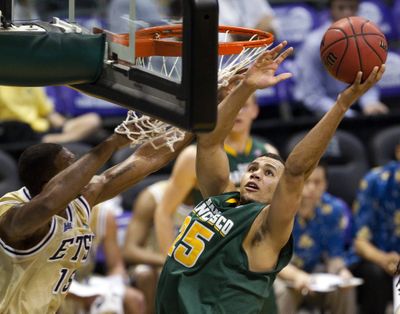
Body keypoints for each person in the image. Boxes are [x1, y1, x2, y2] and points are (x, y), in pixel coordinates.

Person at [155, 40, 385, 313]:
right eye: (253, 168)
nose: (255, 174)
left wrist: (341, 105)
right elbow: (209, 142)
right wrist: (247, 86)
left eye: (268, 173)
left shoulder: (266, 228)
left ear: (280, 191)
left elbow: (296, 170)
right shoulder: (220, 199)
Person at [0, 114, 192, 313]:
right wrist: (113, 142)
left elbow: (147, 158)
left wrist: (193, 121)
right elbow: (48, 204)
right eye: (71, 167)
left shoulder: (80, 200)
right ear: (52, 182)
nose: (82, 171)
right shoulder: (12, 215)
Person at [155, 88, 278, 256]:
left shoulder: (268, 154)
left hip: (252, 251)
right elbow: (164, 212)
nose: (237, 111)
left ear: (255, 110)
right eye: (232, 105)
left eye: (244, 105)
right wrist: (169, 263)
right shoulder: (193, 156)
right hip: (211, 250)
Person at [275, 164, 356, 314]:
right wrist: (296, 276)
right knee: (282, 291)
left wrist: (341, 271)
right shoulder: (278, 208)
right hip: (281, 273)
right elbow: (270, 258)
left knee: (345, 288)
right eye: (307, 181)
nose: (311, 187)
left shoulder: (334, 209)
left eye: (317, 182)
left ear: (325, 185)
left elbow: (334, 256)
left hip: (314, 272)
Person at [293, 0, 388, 117]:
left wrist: (370, 103)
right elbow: (311, 95)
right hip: (323, 111)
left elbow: (370, 79)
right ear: (330, 10)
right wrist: (345, 113)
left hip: (356, 105)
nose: (347, 12)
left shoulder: (371, 40)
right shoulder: (313, 43)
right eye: (341, 8)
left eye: (352, 7)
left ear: (358, 9)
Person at [59, 204, 145, 314]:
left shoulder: (103, 215)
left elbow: (116, 266)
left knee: (134, 299)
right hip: (54, 281)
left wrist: (114, 293)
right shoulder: (54, 211)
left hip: (83, 280)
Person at [123, 179, 193, 314]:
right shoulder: (153, 196)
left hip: (193, 266)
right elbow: (129, 250)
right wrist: (170, 262)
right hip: (155, 264)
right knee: (145, 274)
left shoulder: (216, 196)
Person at [348, 141, 400, 314]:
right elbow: (360, 242)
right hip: (378, 259)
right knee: (374, 274)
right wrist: (384, 259)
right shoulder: (375, 181)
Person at [0, 86, 101, 144]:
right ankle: (54, 141)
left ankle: (57, 140)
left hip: (45, 130)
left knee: (92, 119)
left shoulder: (29, 84)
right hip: (19, 133)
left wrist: (65, 126)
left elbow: (48, 112)